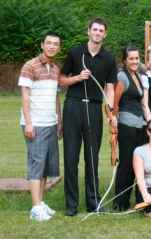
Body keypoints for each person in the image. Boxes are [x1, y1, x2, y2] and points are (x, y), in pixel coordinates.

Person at [59, 17, 118, 216]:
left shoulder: (109, 58)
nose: (98, 33)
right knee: (71, 157)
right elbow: (61, 79)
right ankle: (71, 205)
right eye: (95, 29)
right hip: (73, 107)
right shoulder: (76, 53)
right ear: (88, 31)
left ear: (105, 34)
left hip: (94, 109)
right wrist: (77, 77)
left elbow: (110, 88)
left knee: (91, 158)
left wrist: (110, 112)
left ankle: (93, 203)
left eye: (101, 30)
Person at [19, 31, 62, 221]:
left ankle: (41, 202)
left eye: (56, 44)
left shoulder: (55, 69)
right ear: (42, 45)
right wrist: (28, 123)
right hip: (35, 124)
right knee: (37, 164)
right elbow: (25, 97)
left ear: (58, 48)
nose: (52, 46)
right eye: (49, 43)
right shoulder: (30, 66)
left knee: (46, 166)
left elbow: (56, 97)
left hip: (51, 123)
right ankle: (35, 208)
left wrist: (59, 121)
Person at [112, 45, 151, 211]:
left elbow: (142, 103)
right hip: (127, 125)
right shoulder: (122, 76)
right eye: (131, 59)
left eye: (137, 58)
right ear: (124, 60)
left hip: (140, 126)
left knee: (139, 163)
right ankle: (120, 202)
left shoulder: (137, 75)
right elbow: (114, 102)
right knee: (126, 164)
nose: (135, 61)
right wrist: (113, 120)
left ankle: (139, 199)